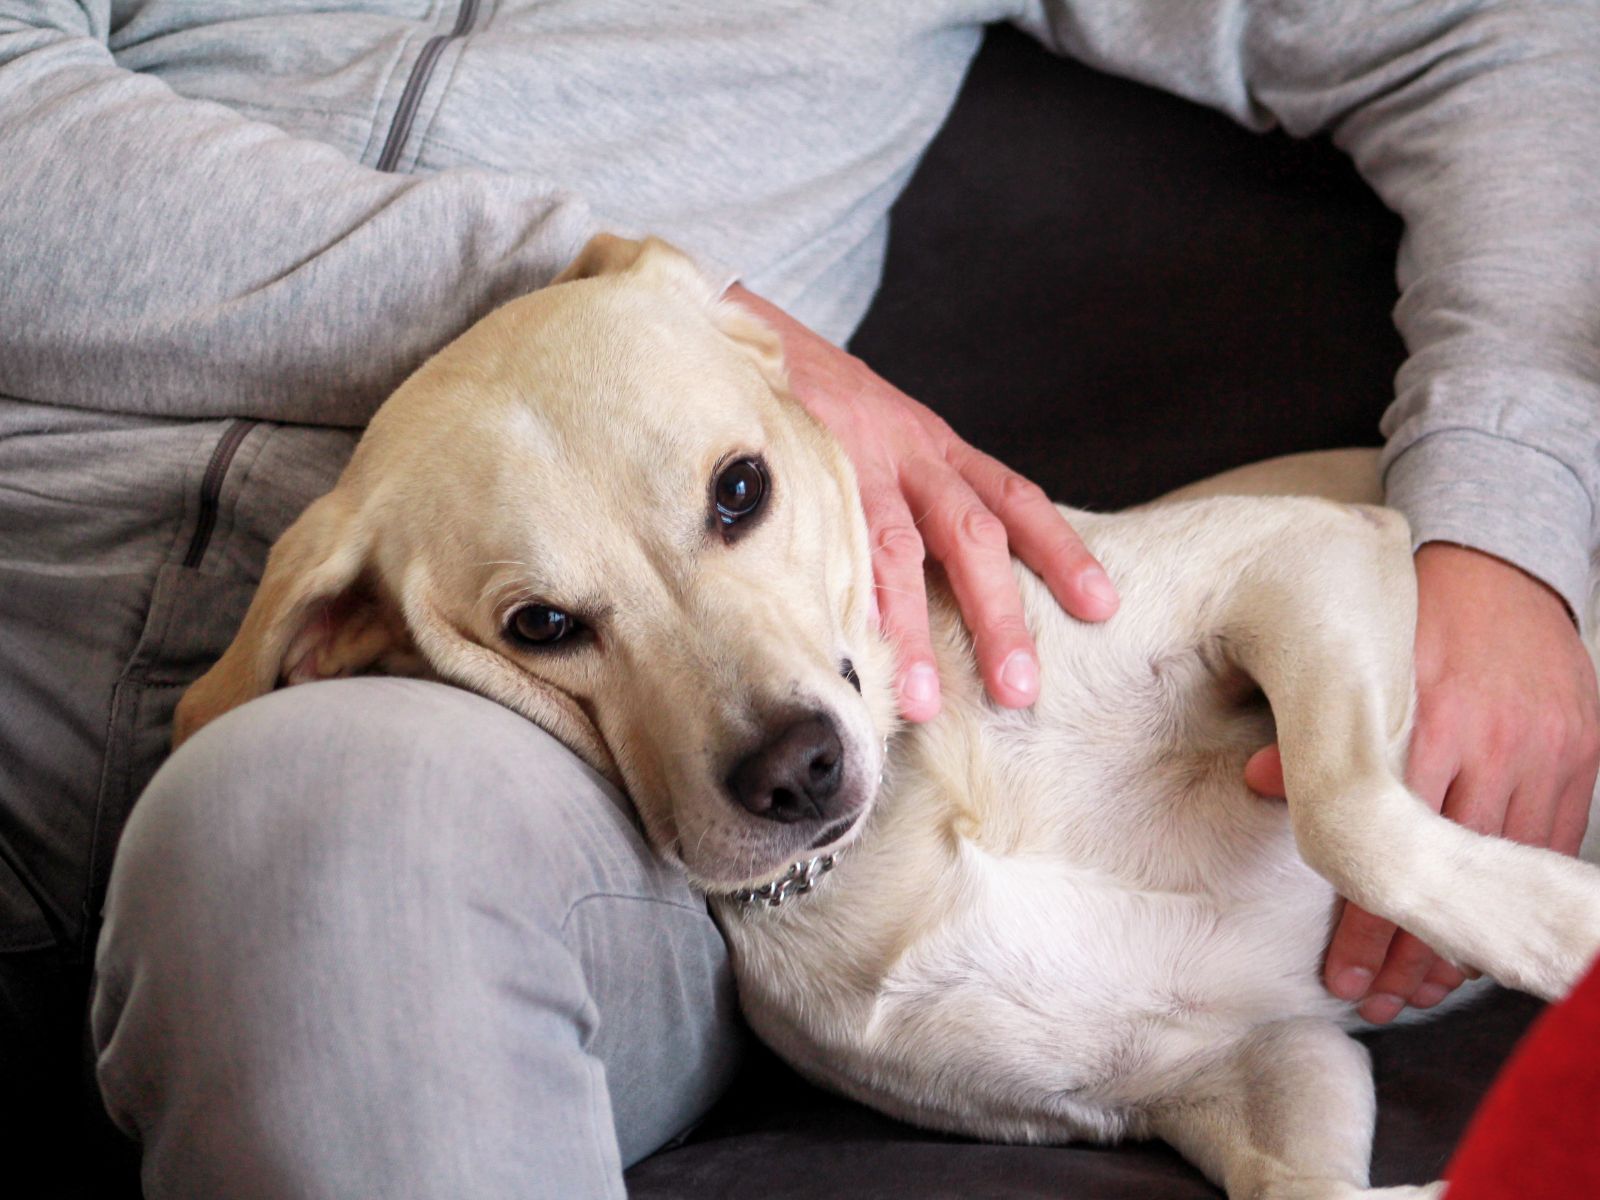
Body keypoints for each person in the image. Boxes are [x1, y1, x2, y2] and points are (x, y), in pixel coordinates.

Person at [0, 1, 1595, 1196]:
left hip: (512, 786)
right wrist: (580, 282)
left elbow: (1504, 32)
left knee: (329, 831)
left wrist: (1511, 524)